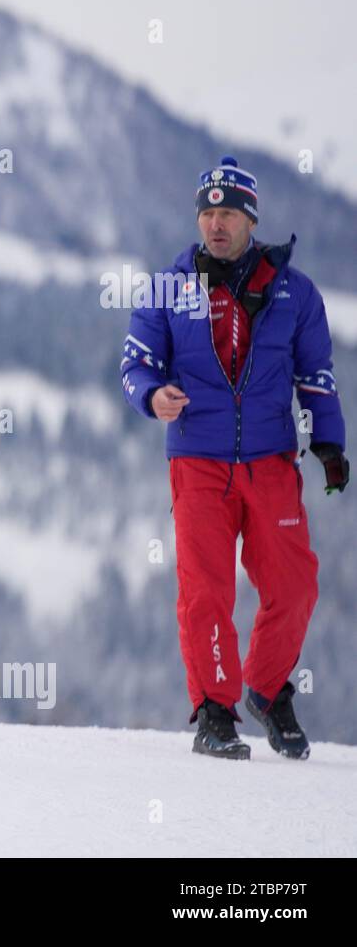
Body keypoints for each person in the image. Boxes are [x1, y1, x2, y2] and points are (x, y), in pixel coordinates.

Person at [120, 155, 348, 760]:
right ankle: (215, 711)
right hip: (197, 462)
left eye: (227, 213)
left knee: (296, 585)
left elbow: (317, 374)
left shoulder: (295, 292)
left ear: (251, 219)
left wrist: (328, 442)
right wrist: (151, 393)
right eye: (207, 213)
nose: (215, 224)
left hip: (271, 462)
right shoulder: (169, 288)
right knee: (206, 591)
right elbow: (134, 364)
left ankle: (269, 691)